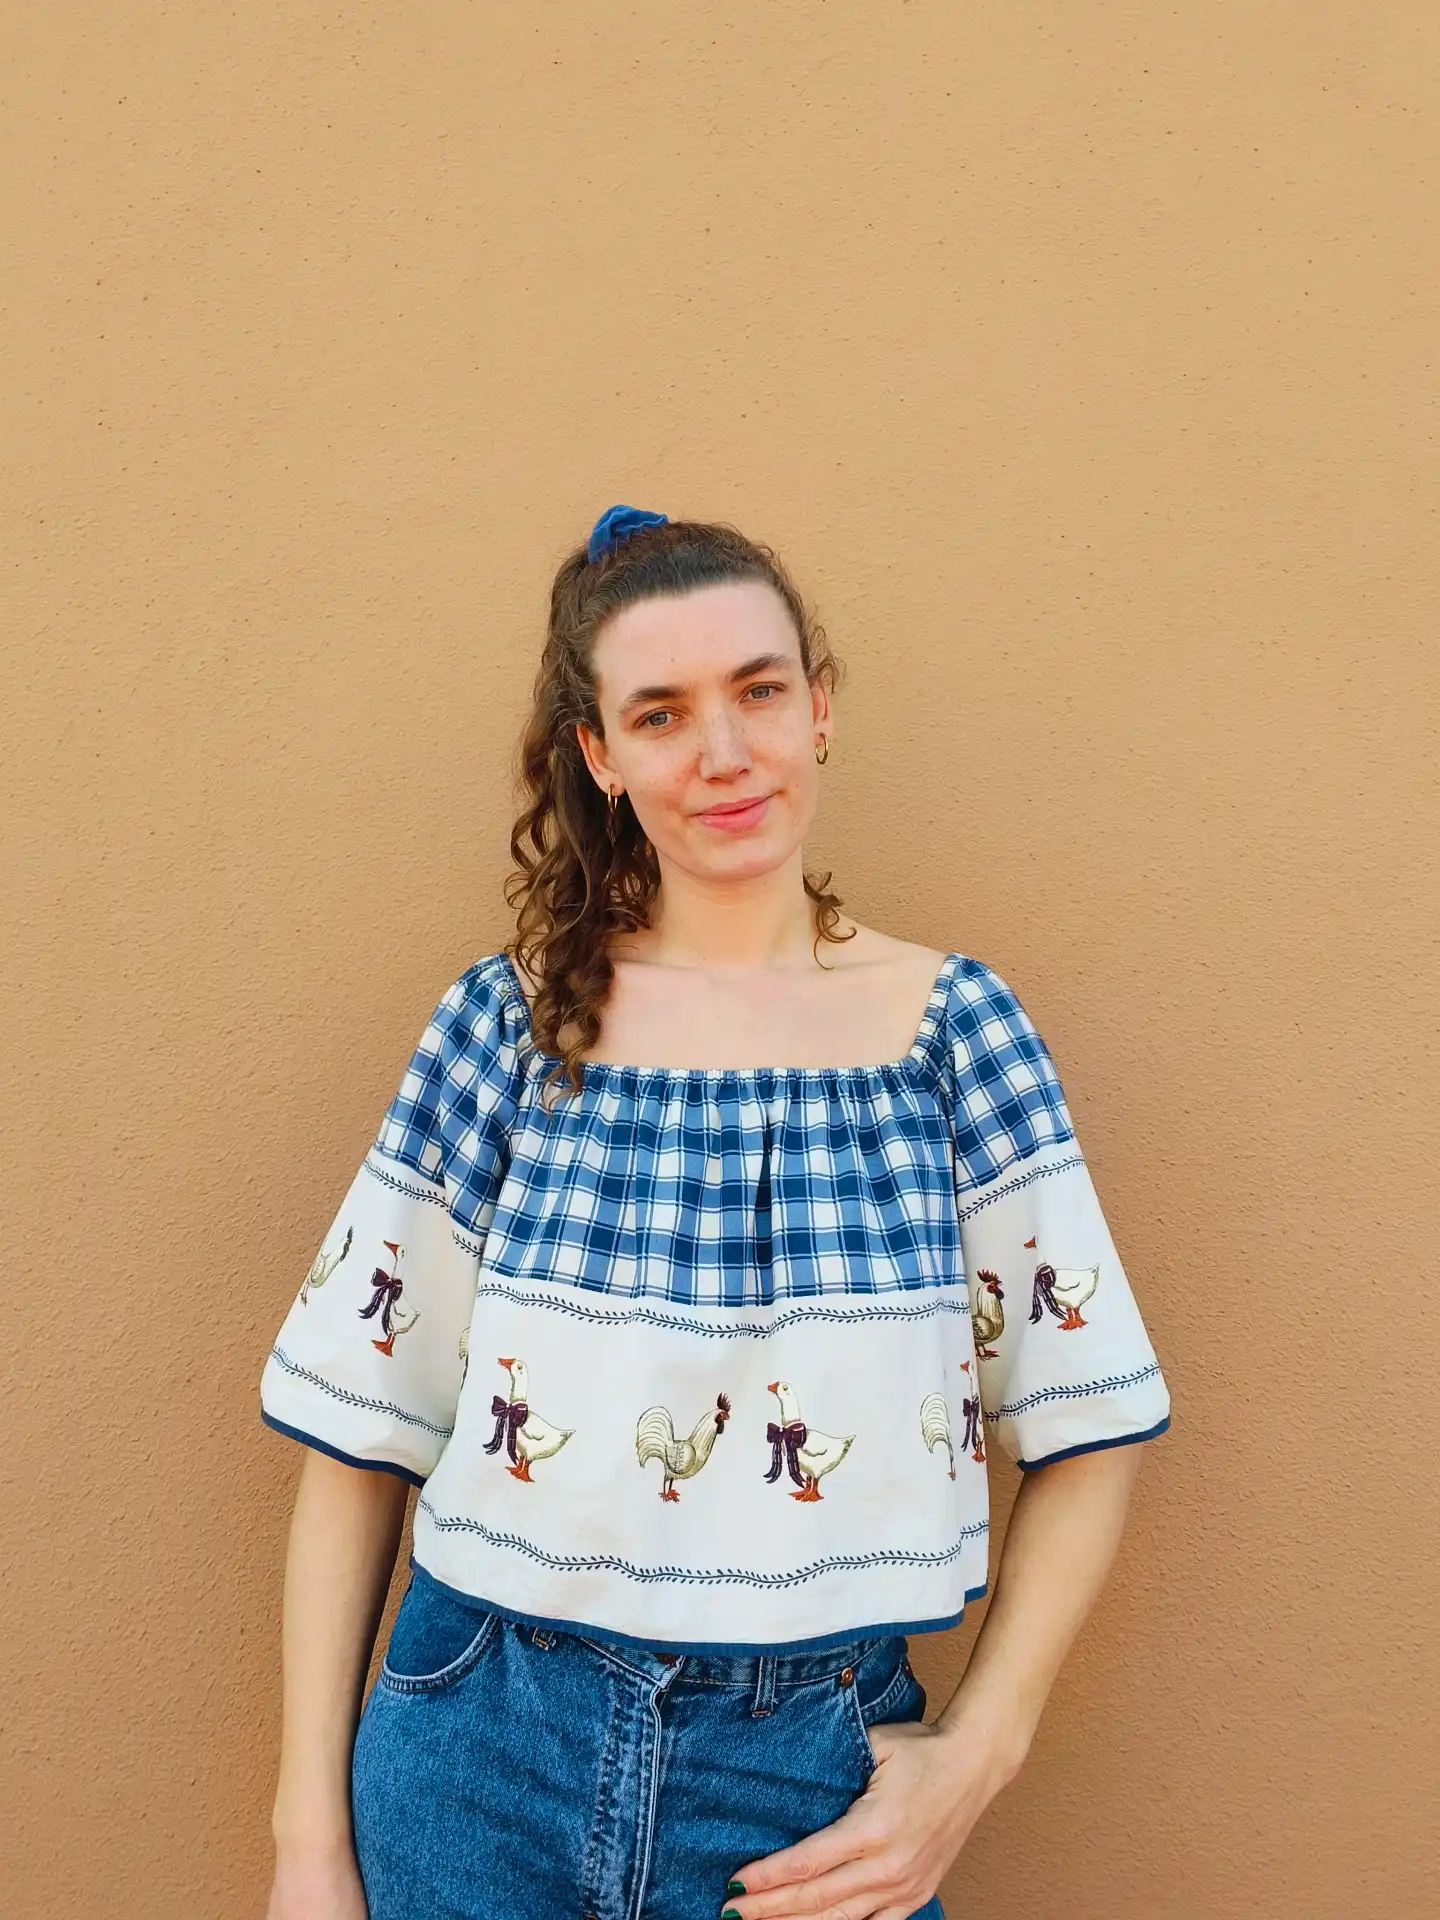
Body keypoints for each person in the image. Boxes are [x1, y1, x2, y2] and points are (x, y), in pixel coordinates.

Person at [260, 505, 1172, 1920]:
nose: (725, 752)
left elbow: (1089, 1423)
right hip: (475, 1754)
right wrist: (308, 1847)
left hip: (807, 1782)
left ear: (820, 707)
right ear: (600, 756)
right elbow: (360, 1440)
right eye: (661, 714)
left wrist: (977, 1758)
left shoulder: (952, 1035)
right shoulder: (506, 1030)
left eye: (758, 691)